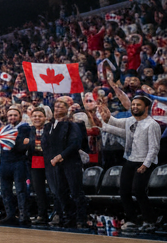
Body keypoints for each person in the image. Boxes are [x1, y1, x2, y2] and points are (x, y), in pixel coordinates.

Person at [97, 94, 160, 229]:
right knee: (124, 191)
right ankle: (132, 220)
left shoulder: (152, 124)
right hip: (130, 160)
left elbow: (154, 147)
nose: (135, 107)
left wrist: (145, 165)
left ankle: (150, 220)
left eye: (138, 105)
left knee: (139, 191)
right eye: (133, 105)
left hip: (145, 161)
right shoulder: (130, 120)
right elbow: (112, 122)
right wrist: (104, 110)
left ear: (146, 107)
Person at [46, 96, 88, 229]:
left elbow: (75, 143)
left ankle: (81, 219)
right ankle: (70, 216)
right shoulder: (50, 125)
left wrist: (61, 155)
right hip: (57, 164)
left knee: (76, 191)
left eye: (61, 106)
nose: (57, 108)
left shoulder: (74, 124)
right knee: (60, 192)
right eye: (56, 106)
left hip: (71, 162)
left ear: (67, 109)